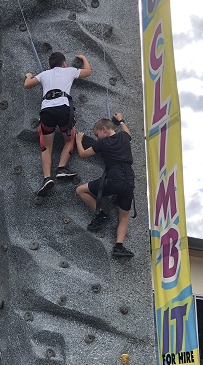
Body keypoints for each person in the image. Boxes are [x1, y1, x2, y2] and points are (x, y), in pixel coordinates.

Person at [24, 51, 92, 196]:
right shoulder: (69, 71)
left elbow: (28, 84)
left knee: (46, 147)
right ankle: (61, 168)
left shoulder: (44, 74)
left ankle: (47, 178)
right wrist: (84, 58)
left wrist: (29, 75)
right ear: (64, 63)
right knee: (69, 139)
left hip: (47, 110)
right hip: (63, 109)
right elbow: (88, 72)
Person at [75, 113, 135, 258]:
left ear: (104, 129)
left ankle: (101, 215)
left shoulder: (103, 143)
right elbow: (127, 132)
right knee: (124, 216)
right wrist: (121, 120)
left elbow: (83, 154)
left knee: (80, 190)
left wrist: (78, 140)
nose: (97, 138)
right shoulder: (124, 137)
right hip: (129, 181)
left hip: (114, 179)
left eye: (97, 134)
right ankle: (119, 247)